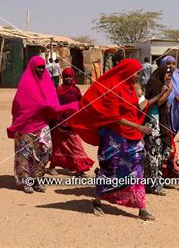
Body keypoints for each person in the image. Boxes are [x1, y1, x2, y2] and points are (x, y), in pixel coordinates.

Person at [70, 59, 164, 221]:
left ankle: (142, 208)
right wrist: (138, 126)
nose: (138, 76)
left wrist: (160, 95)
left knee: (137, 171)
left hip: (132, 139)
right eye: (136, 73)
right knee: (110, 170)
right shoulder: (113, 88)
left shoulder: (130, 89)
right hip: (114, 140)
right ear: (127, 72)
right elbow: (114, 117)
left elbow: (137, 108)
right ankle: (98, 201)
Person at [7, 56, 78, 193]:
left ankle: (37, 177)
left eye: (42, 67)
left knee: (45, 150)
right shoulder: (25, 84)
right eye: (38, 67)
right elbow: (18, 105)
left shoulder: (47, 83)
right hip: (25, 125)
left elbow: (53, 104)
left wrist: (72, 107)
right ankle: (27, 180)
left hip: (42, 124)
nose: (40, 69)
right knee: (25, 154)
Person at [48, 68, 94, 176]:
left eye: (70, 77)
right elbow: (54, 105)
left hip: (73, 123)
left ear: (73, 77)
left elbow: (80, 103)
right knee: (58, 146)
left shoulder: (76, 90)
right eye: (66, 77)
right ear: (62, 78)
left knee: (76, 145)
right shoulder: (58, 90)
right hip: (59, 123)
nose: (68, 79)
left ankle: (80, 168)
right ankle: (52, 166)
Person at [159, 56, 179, 192]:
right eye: (168, 64)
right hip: (162, 121)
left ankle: (163, 178)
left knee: (165, 151)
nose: (171, 66)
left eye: (173, 63)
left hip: (174, 121)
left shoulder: (177, 78)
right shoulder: (159, 79)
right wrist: (170, 96)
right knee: (170, 150)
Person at [143, 64, 173, 195]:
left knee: (158, 154)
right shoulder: (155, 84)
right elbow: (158, 102)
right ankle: (154, 185)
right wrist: (168, 91)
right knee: (154, 155)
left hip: (158, 122)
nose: (168, 78)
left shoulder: (159, 83)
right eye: (167, 75)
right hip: (152, 122)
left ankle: (151, 183)